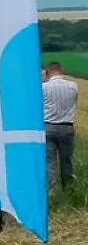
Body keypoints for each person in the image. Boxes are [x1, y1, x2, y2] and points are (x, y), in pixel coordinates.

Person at [42, 61, 79, 190]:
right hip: (67, 128)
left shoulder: (44, 87)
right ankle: (68, 188)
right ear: (61, 71)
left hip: (49, 127)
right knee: (66, 161)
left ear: (47, 72)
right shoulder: (73, 86)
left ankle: (51, 191)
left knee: (50, 162)